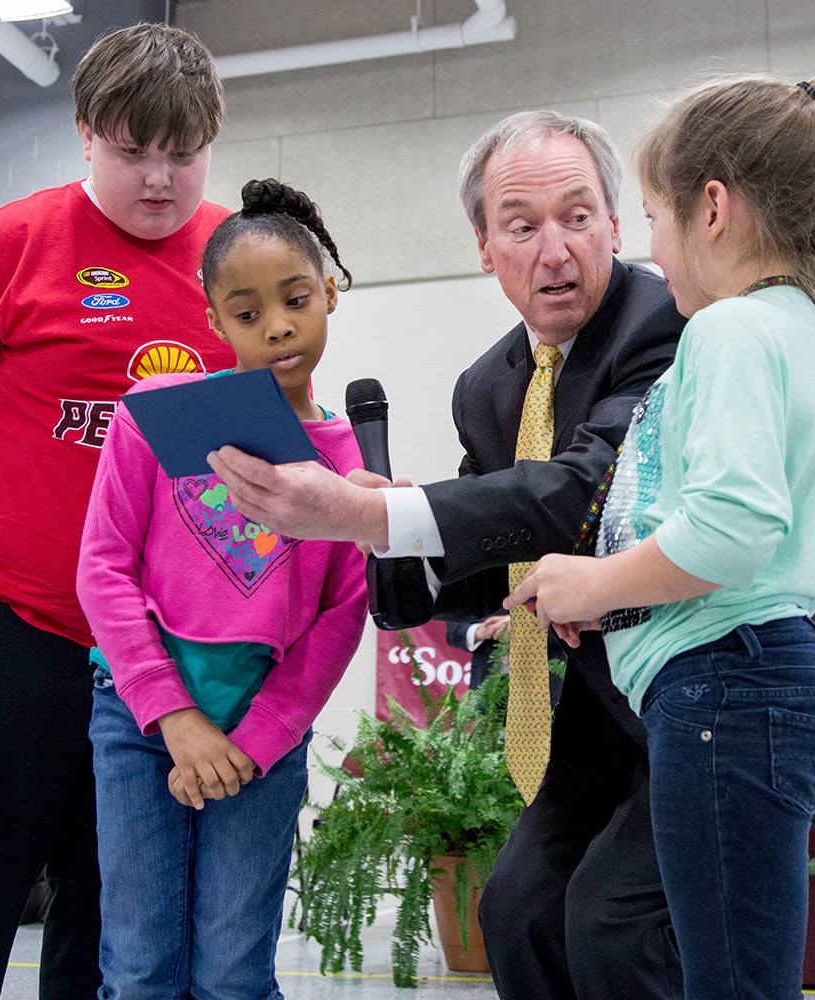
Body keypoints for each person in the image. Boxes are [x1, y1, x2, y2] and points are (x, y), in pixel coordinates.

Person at [208, 110, 690, 1000]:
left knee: (609, 924)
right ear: (485, 247)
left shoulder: (664, 323)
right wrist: (379, 528)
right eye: (522, 226)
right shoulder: (488, 386)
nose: (555, 251)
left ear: (615, 226)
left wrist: (377, 514)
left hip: (700, 695)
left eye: (578, 218)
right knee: (514, 910)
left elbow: (582, 494)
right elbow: (487, 550)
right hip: (595, 715)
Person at [0, 23, 231, 999]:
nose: (158, 177)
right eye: (131, 150)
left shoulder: (238, 269)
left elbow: (241, 473)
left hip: (148, 662)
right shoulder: (2, 249)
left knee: (120, 945)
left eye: (181, 154)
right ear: (83, 132)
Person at [507, 74, 815, 998]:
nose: (649, 249)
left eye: (652, 217)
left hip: (732, 688)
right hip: (756, 680)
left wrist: (592, 586)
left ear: (712, 208)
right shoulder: (800, 326)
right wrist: (605, 595)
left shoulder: (730, 332)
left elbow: (730, 530)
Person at [77, 178, 368, 1000]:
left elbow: (341, 616)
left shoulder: (351, 464)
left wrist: (253, 740)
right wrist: (174, 719)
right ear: (213, 321)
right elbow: (101, 568)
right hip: (141, 722)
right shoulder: (154, 415)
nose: (277, 325)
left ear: (329, 294)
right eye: (246, 312)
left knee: (234, 972)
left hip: (261, 738)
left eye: (296, 299)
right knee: (138, 969)